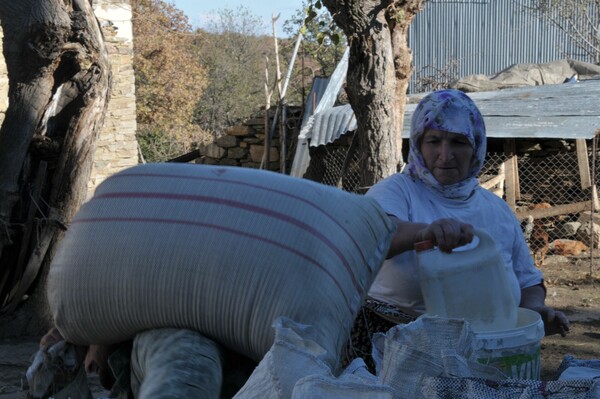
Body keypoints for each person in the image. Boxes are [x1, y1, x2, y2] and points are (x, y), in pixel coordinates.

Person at [345, 88, 569, 372]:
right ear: (417, 143)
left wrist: (534, 310)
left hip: (486, 352)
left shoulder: (496, 209)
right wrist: (424, 232)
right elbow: (376, 235)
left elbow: (528, 281)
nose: (445, 154)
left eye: (458, 142)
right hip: (392, 351)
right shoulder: (396, 191)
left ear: (475, 146)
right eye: (434, 141)